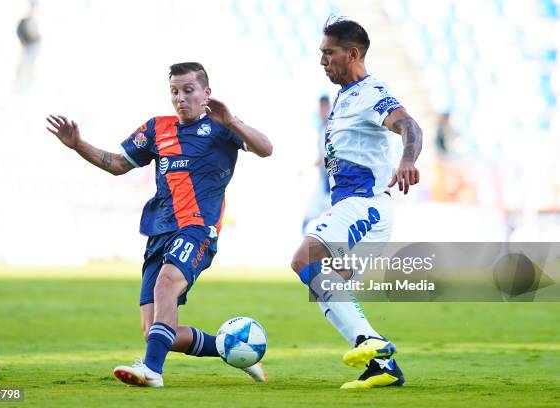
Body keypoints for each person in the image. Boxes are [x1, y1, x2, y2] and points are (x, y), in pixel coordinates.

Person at [46, 62, 273, 387]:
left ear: (206, 93)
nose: (181, 98)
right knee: (155, 329)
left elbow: (266, 149)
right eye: (174, 92)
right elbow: (117, 165)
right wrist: (78, 144)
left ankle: (152, 371)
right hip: (159, 232)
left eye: (188, 90)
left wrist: (232, 120)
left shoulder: (222, 127)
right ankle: (235, 350)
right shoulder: (157, 128)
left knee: (166, 284)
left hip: (197, 230)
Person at [290, 17, 422, 389]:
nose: (322, 61)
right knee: (326, 284)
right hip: (355, 206)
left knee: (305, 259)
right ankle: (382, 367)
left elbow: (410, 126)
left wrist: (408, 158)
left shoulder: (372, 92)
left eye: (328, 53)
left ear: (353, 53)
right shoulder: (344, 96)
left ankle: (371, 343)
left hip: (365, 204)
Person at [301, 95, 332, 233]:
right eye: (321, 108)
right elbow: (321, 157)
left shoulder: (335, 129)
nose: (322, 111)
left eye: (325, 107)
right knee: (309, 218)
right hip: (323, 182)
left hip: (333, 184)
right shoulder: (321, 129)